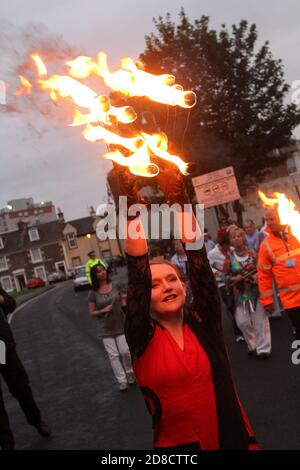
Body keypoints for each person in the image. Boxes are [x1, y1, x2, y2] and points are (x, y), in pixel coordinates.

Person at [115, 163, 260, 450]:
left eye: (173, 279)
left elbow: (199, 261)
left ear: (184, 286)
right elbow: (137, 272)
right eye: (155, 284)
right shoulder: (141, 336)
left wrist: (178, 197)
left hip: (235, 439)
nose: (168, 286)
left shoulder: (204, 321)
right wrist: (130, 199)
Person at [0, 286, 51, 450]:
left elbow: (11, 304)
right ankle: (6, 441)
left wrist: (1, 300)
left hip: (1, 346)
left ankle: (36, 420)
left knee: (20, 387)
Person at [223, 227, 271, 358]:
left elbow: (262, 268)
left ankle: (263, 349)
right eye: (233, 237)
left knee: (260, 320)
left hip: (255, 291)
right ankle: (252, 344)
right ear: (231, 241)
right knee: (242, 322)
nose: (236, 238)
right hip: (240, 294)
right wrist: (233, 278)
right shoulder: (229, 258)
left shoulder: (252, 253)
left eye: (239, 236)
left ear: (243, 238)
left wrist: (257, 276)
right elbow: (224, 276)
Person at [87, 263, 135, 391]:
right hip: (105, 327)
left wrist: (124, 300)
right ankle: (122, 380)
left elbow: (125, 298)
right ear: (95, 275)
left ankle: (130, 372)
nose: (102, 273)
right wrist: (103, 310)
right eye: (98, 271)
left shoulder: (116, 285)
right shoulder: (93, 293)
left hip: (120, 323)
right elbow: (91, 313)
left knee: (125, 351)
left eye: (103, 270)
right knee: (113, 355)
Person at [257, 206, 300, 339]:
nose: (269, 222)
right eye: (267, 219)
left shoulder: (296, 233)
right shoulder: (266, 245)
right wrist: (267, 300)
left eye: (272, 219)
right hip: (291, 301)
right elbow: (263, 275)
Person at [208, 234, 244, 343]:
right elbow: (212, 271)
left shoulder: (232, 250)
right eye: (226, 246)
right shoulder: (212, 254)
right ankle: (238, 333)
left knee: (240, 304)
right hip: (223, 284)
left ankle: (245, 329)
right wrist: (224, 276)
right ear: (221, 244)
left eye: (229, 245)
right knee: (231, 307)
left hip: (236, 282)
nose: (228, 248)